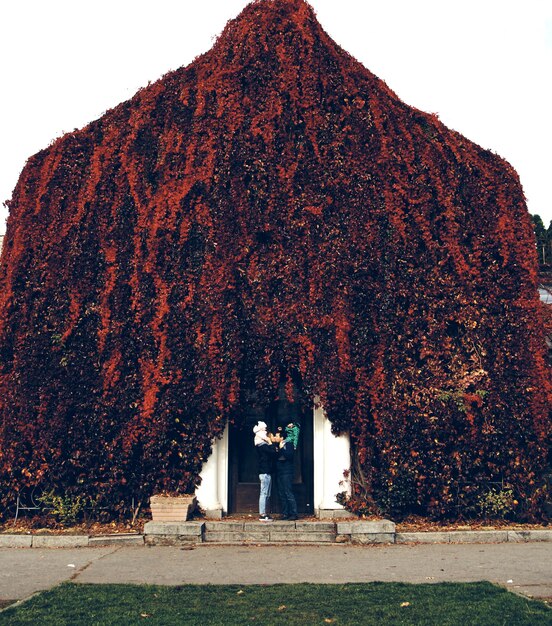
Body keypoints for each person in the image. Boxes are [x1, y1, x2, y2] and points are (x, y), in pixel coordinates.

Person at [253, 421, 277, 522]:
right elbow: (273, 452)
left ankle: (265, 513)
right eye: (264, 430)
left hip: (266, 472)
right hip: (265, 472)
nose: (266, 432)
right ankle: (263, 514)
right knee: (264, 493)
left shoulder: (261, 445)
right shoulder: (262, 445)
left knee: (266, 493)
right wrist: (271, 442)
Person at [276, 422, 300, 521]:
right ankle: (285, 513)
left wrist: (281, 449)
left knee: (288, 492)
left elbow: (289, 456)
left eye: (278, 436)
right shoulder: (279, 444)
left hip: (287, 471)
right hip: (280, 471)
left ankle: (293, 513)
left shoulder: (290, 443)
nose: (277, 437)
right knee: (282, 493)